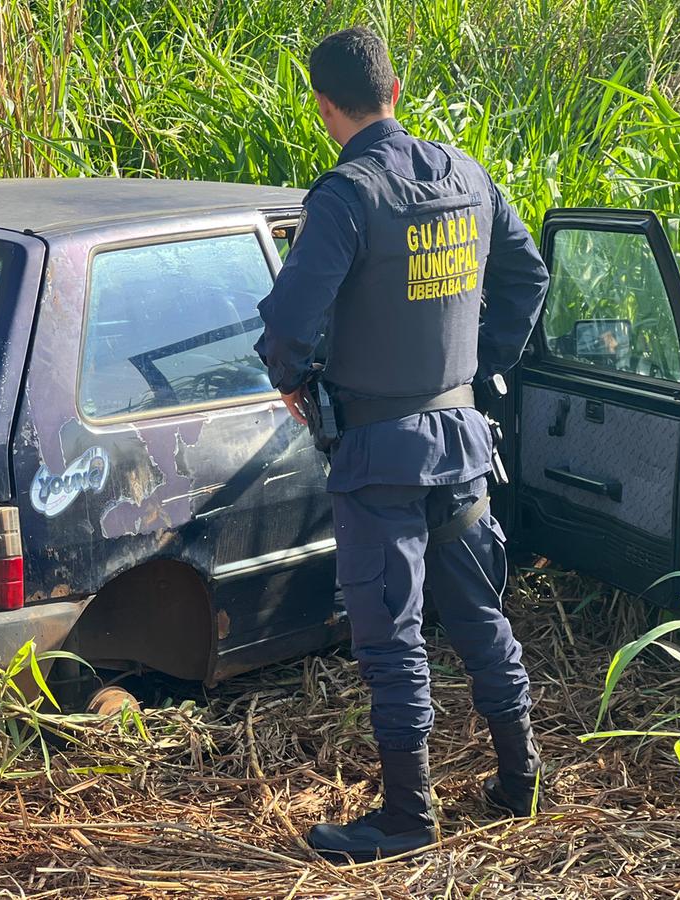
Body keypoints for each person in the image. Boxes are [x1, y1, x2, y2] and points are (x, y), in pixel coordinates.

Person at [255, 27, 550, 862]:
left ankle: (406, 819)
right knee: (479, 612)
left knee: (391, 636)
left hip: (380, 453)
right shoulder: (467, 174)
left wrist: (294, 379)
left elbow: (287, 323)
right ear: (396, 87)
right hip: (460, 443)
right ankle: (520, 783)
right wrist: (481, 363)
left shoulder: (348, 195)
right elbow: (527, 277)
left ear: (322, 106)